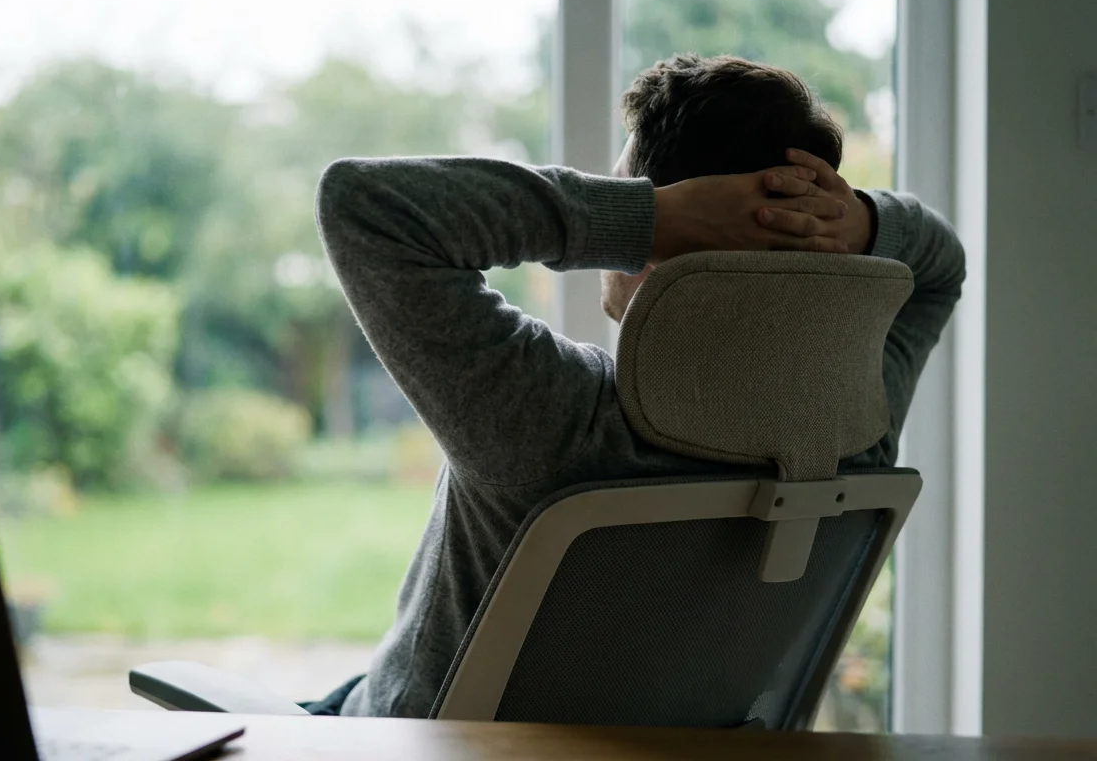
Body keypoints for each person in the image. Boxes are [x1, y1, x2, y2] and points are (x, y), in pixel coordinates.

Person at [309, 54, 966, 718]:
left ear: (680, 222)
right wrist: (855, 220)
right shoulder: (855, 428)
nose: (627, 202)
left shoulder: (557, 415)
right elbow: (942, 264)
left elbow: (366, 205)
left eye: (630, 188)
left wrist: (641, 218)